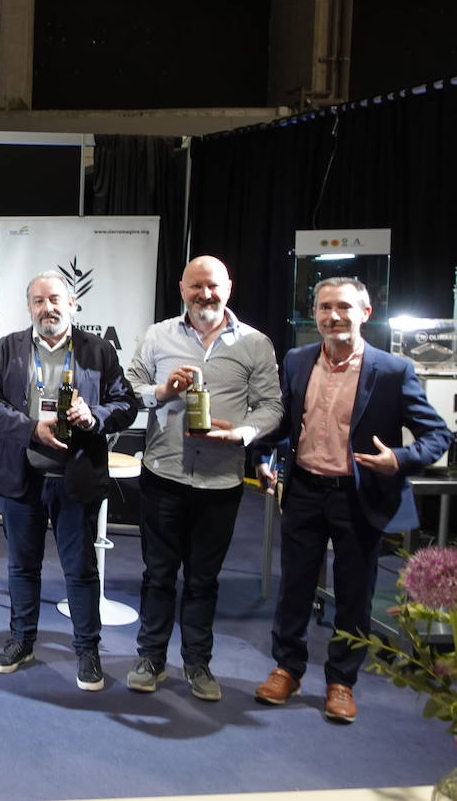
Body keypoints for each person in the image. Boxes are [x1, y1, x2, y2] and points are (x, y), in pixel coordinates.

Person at [253, 277, 451, 722]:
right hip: (303, 489)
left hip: (358, 495)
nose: (332, 316)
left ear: (365, 313)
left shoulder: (393, 371)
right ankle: (287, 668)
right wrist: (262, 452)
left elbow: (439, 435)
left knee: (354, 591)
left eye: (343, 307)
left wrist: (398, 459)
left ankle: (341, 680)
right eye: (324, 307)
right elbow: (284, 421)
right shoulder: (298, 359)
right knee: (295, 586)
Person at [123, 255, 283, 701]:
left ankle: (198, 664)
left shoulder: (256, 344)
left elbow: (272, 406)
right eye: (195, 287)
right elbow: (128, 386)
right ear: (181, 288)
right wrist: (162, 391)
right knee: (157, 574)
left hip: (220, 482)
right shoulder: (159, 336)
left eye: (212, 286)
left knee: (203, 579)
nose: (204, 295)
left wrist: (243, 433)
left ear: (228, 287)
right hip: (163, 473)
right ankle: (150, 657)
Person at [0, 271, 138, 690]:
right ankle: (21, 640)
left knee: (80, 570)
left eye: (55, 300)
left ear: (72, 304)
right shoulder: (7, 348)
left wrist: (94, 416)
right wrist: (31, 428)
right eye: (39, 301)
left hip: (75, 479)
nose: (48, 308)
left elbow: (126, 404)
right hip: (21, 476)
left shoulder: (98, 350)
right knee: (22, 566)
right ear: (29, 307)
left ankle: (88, 651)